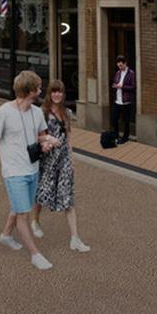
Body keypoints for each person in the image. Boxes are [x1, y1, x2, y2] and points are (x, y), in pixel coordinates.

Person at [0, 70, 59, 271]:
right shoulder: (3, 113)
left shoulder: (37, 113)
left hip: (33, 169)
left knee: (21, 206)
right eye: (38, 87)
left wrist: (48, 142)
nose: (41, 89)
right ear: (30, 91)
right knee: (23, 214)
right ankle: (36, 255)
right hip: (14, 172)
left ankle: (5, 236)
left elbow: (41, 136)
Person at [30, 80, 91, 252]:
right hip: (47, 159)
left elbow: (69, 138)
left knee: (68, 197)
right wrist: (48, 140)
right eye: (54, 91)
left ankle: (75, 239)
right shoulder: (41, 113)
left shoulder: (67, 113)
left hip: (63, 159)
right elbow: (36, 136)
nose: (57, 95)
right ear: (49, 93)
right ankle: (35, 221)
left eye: (60, 92)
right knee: (42, 191)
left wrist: (71, 160)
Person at [111, 56, 135, 144]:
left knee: (126, 121)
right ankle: (116, 135)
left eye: (121, 65)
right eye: (118, 66)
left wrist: (122, 87)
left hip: (126, 101)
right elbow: (115, 82)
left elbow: (133, 87)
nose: (120, 67)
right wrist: (115, 85)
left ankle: (125, 137)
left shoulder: (131, 73)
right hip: (118, 100)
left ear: (125, 63)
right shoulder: (118, 73)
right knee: (114, 119)